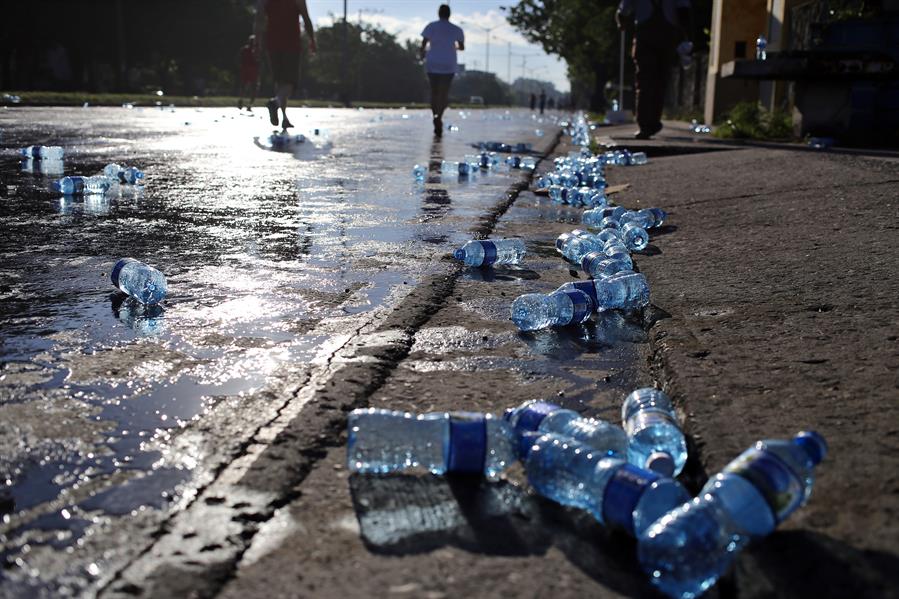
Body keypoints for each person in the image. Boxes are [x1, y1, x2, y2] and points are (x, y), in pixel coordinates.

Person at [617, 0, 691, 139]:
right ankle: (647, 123)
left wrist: (622, 21)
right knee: (650, 81)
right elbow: (684, 10)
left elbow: (623, 11)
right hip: (654, 35)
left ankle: (650, 122)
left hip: (663, 34)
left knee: (656, 81)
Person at [255, 0, 316, 130]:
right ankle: (275, 102)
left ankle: (284, 117)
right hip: (291, 44)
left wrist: (257, 42)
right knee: (290, 83)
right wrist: (312, 40)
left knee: (279, 81)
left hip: (272, 43)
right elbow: (306, 18)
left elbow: (259, 19)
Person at [420, 4, 464, 137]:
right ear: (449, 14)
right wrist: (453, 45)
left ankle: (435, 115)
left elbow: (423, 43)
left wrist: (422, 55)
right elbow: (461, 47)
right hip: (448, 64)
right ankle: (439, 117)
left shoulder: (431, 26)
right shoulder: (456, 29)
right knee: (444, 93)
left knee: (434, 92)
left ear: (438, 13)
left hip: (433, 62)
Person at [237, 35, 260, 111]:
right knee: (250, 87)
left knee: (248, 87)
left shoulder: (247, 49)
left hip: (249, 70)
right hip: (251, 70)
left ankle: (247, 102)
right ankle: (247, 103)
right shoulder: (252, 50)